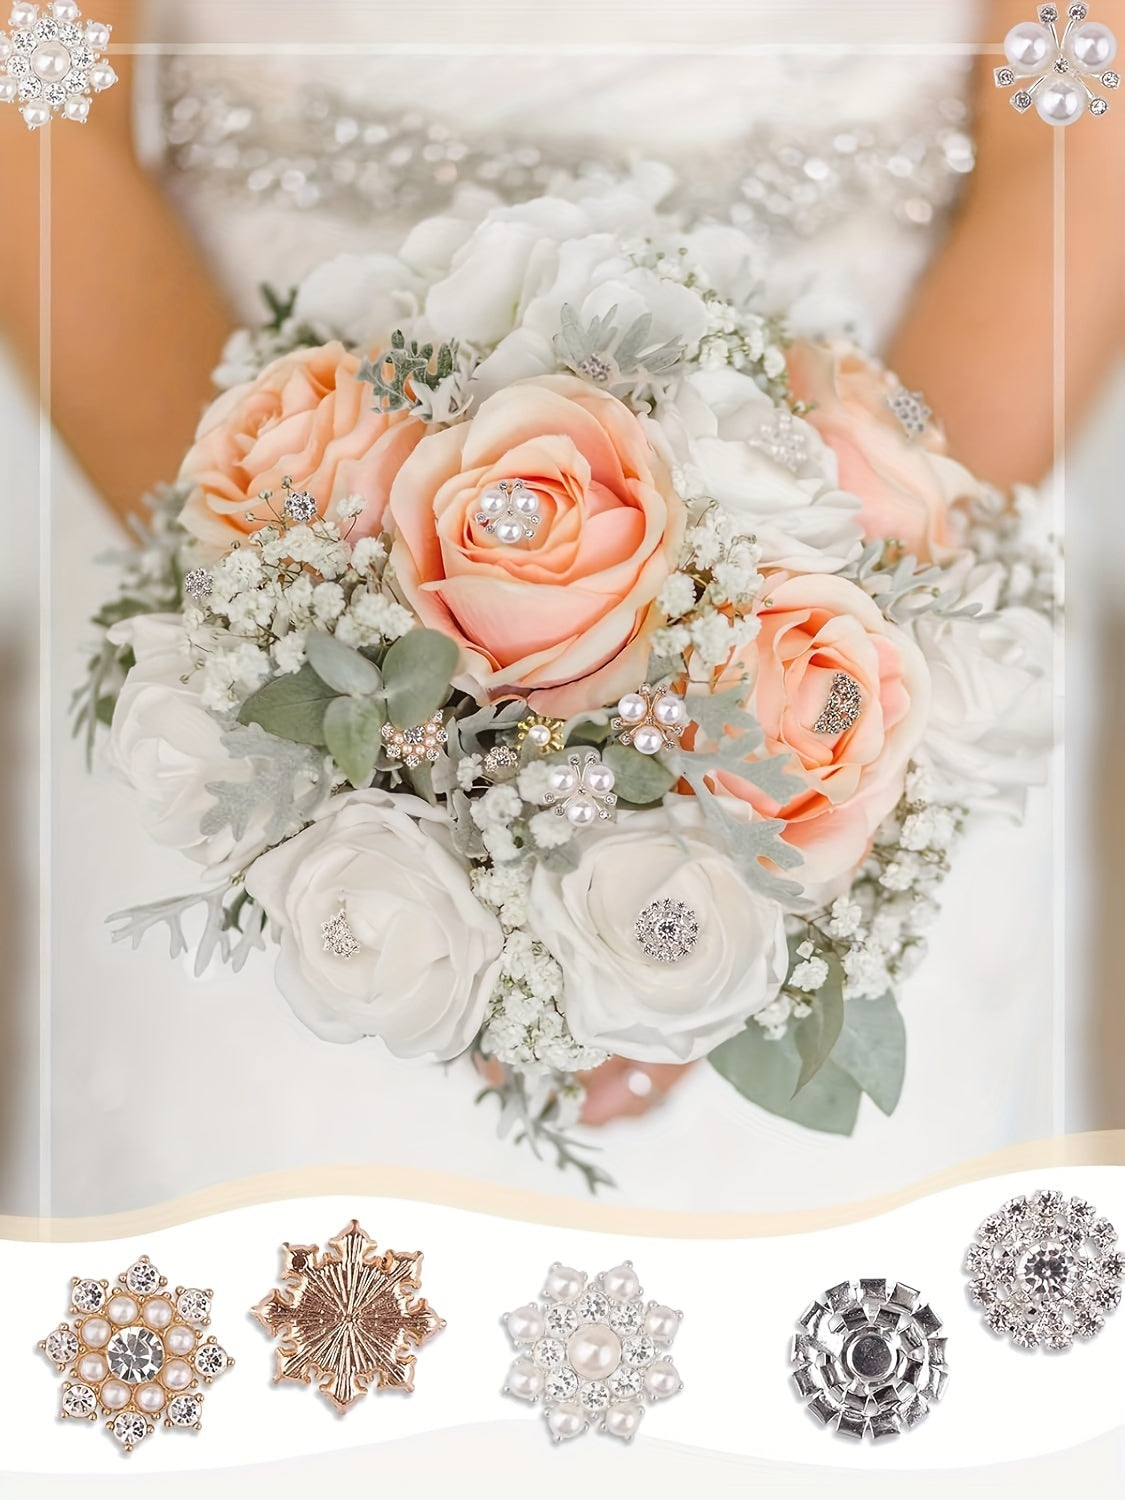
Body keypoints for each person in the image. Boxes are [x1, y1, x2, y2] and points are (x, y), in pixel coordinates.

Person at [0, 0, 1115, 1211]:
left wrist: (830, 647)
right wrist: (291, 659)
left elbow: (1075, 113)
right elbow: (39, 94)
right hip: (217, 490)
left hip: (896, 500)